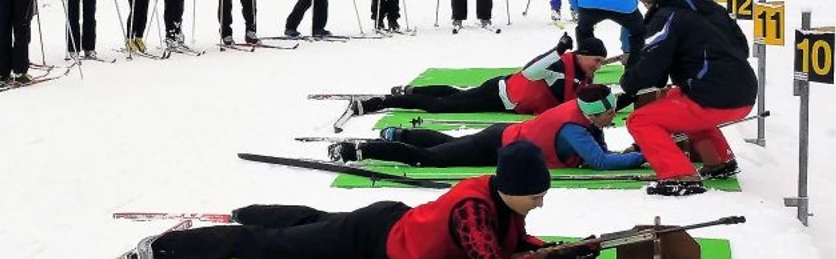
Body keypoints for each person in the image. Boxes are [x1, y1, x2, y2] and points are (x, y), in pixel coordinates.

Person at [122, 141, 599, 259]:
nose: (539, 203)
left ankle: (249, 209)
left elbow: (520, 243)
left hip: (389, 224)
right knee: (273, 247)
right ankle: (163, 250)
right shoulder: (473, 212)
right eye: (536, 195)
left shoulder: (498, 200)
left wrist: (565, 250)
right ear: (512, 190)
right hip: (373, 240)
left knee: (306, 224)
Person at [618, 0, 757, 196]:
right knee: (677, 98)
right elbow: (742, 46)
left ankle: (679, 175)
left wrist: (627, 86)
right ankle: (719, 160)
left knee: (639, 121)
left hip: (715, 98)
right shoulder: (706, 6)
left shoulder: (666, 16)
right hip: (744, 90)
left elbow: (651, 66)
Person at [330, 84, 645, 172]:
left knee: (448, 147)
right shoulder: (574, 128)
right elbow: (600, 162)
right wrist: (639, 158)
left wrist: (628, 152)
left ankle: (401, 135)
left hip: (502, 141)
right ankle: (360, 149)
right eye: (612, 113)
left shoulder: (585, 115)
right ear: (597, 114)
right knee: (430, 158)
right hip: (498, 145)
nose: (615, 116)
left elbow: (599, 150)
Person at [353, 34, 606, 115]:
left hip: (504, 93)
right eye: (596, 60)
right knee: (443, 107)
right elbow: (530, 71)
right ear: (582, 54)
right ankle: (384, 102)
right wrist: (558, 49)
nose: (598, 66)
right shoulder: (561, 64)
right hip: (501, 95)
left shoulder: (583, 75)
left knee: (458, 95)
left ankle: (412, 91)